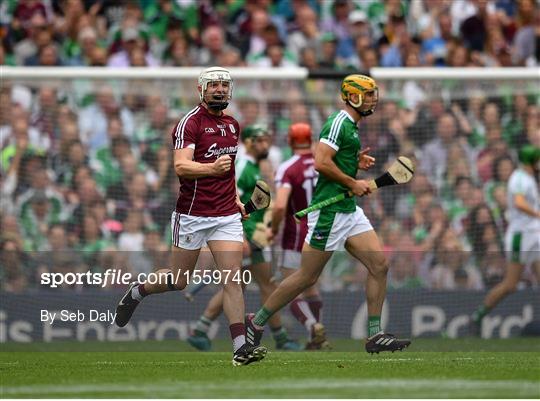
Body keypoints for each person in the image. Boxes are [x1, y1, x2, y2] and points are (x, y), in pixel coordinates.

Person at [245, 74, 411, 354]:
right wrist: (352, 182)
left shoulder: (354, 128)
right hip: (328, 212)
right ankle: (256, 322)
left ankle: (374, 335)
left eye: (374, 93)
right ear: (353, 96)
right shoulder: (338, 123)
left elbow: (334, 162)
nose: (374, 99)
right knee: (306, 277)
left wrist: (354, 164)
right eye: (368, 94)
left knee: (379, 266)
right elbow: (321, 162)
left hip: (348, 211)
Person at [114, 66, 267, 366]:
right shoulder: (189, 123)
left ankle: (239, 349)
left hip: (225, 216)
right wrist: (211, 169)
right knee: (178, 280)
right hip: (192, 215)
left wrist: (235, 199)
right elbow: (181, 167)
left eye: (224, 85)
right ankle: (136, 292)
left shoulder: (234, 125)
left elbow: (229, 172)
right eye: (214, 86)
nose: (220, 90)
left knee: (232, 279)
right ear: (202, 90)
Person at [187, 125, 301, 351]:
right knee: (266, 285)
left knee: (241, 283)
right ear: (248, 142)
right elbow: (230, 198)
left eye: (267, 140)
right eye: (260, 140)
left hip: (255, 234)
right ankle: (280, 338)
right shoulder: (241, 165)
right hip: (247, 235)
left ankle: (200, 329)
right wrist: (242, 238)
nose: (265, 144)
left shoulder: (254, 167)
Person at [271, 122, 329, 349]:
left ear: (289, 141)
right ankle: (317, 339)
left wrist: (274, 228)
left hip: (296, 233)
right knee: (311, 284)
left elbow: (279, 206)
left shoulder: (287, 168)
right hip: (323, 230)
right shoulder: (322, 164)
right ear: (311, 139)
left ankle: (312, 325)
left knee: (288, 285)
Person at [471, 145, 540, 334]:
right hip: (521, 237)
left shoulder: (528, 178)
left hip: (533, 235)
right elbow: (519, 203)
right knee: (510, 284)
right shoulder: (518, 179)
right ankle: (477, 317)